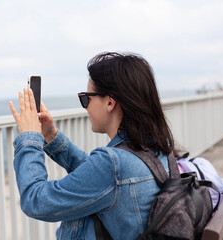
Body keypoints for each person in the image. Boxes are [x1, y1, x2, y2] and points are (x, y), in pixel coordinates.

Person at [9, 52, 175, 239]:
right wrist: (51, 135)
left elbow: (35, 200)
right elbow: (98, 179)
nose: (85, 107)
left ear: (110, 102)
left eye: (86, 98)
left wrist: (29, 137)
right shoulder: (157, 146)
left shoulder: (112, 164)